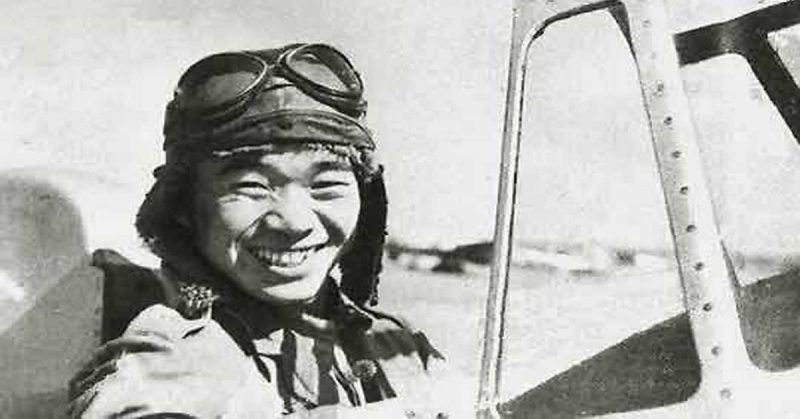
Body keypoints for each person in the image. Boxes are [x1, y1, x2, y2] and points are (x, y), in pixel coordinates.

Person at [68, 43, 457, 418]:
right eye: (250, 187)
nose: (294, 222)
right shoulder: (168, 353)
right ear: (185, 208)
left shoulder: (396, 342)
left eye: (326, 187)